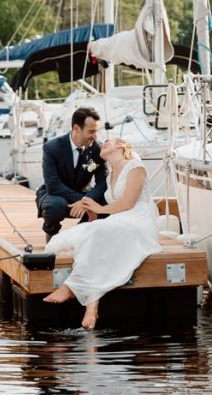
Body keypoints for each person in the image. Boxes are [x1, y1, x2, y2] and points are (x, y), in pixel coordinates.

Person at [43, 137, 162, 330]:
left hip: (138, 219)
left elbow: (128, 203)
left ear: (121, 145)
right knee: (69, 238)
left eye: (108, 141)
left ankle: (72, 287)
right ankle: (93, 304)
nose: (103, 143)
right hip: (119, 219)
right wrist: (94, 212)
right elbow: (114, 207)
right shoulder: (110, 173)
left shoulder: (135, 166)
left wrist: (99, 209)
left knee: (98, 232)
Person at [36, 106, 107, 242]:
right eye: (91, 131)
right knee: (54, 206)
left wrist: (86, 201)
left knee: (107, 202)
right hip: (56, 194)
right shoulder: (52, 147)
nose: (95, 136)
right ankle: (51, 234)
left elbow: (102, 183)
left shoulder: (98, 149)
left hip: (84, 193)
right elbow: (53, 185)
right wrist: (84, 201)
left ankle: (79, 235)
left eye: (96, 131)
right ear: (76, 128)